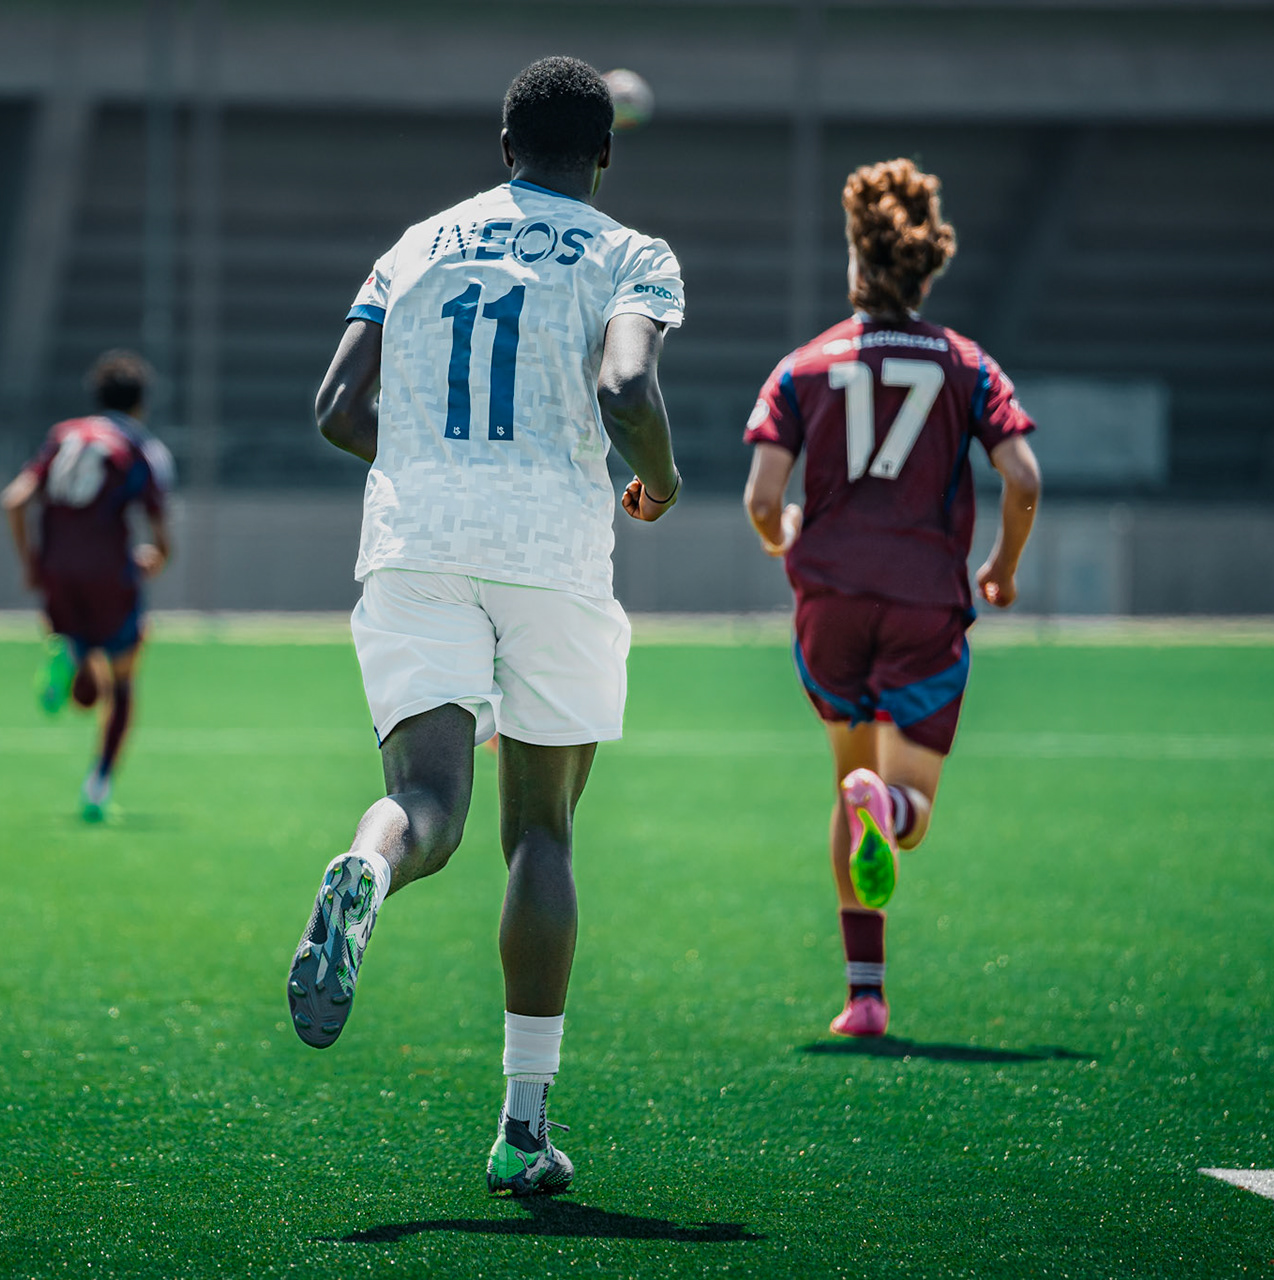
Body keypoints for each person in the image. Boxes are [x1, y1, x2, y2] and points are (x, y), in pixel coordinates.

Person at [285, 56, 685, 1196]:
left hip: (415, 542)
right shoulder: (630, 255)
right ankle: (521, 1125)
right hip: (551, 552)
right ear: (603, 154)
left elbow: (336, 409)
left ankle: (368, 866)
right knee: (540, 835)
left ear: (504, 148)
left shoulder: (416, 245)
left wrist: (435, 462)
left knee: (427, 805)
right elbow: (625, 389)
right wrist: (659, 482)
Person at [741, 158, 1042, 1039]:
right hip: (922, 603)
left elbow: (762, 498)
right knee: (900, 811)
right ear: (926, 268)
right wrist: (1003, 566)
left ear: (856, 260)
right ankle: (893, 811)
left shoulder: (803, 366)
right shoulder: (968, 365)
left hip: (830, 604)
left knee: (850, 783)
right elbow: (1023, 477)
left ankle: (864, 996)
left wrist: (781, 535)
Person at [1, 350, 174, 822]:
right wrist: (156, 557)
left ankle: (68, 650)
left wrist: (31, 564)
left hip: (57, 573)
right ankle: (98, 785)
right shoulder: (140, 448)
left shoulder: (63, 435)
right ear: (141, 404)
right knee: (122, 682)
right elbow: (160, 533)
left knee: (82, 670)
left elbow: (14, 500)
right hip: (109, 575)